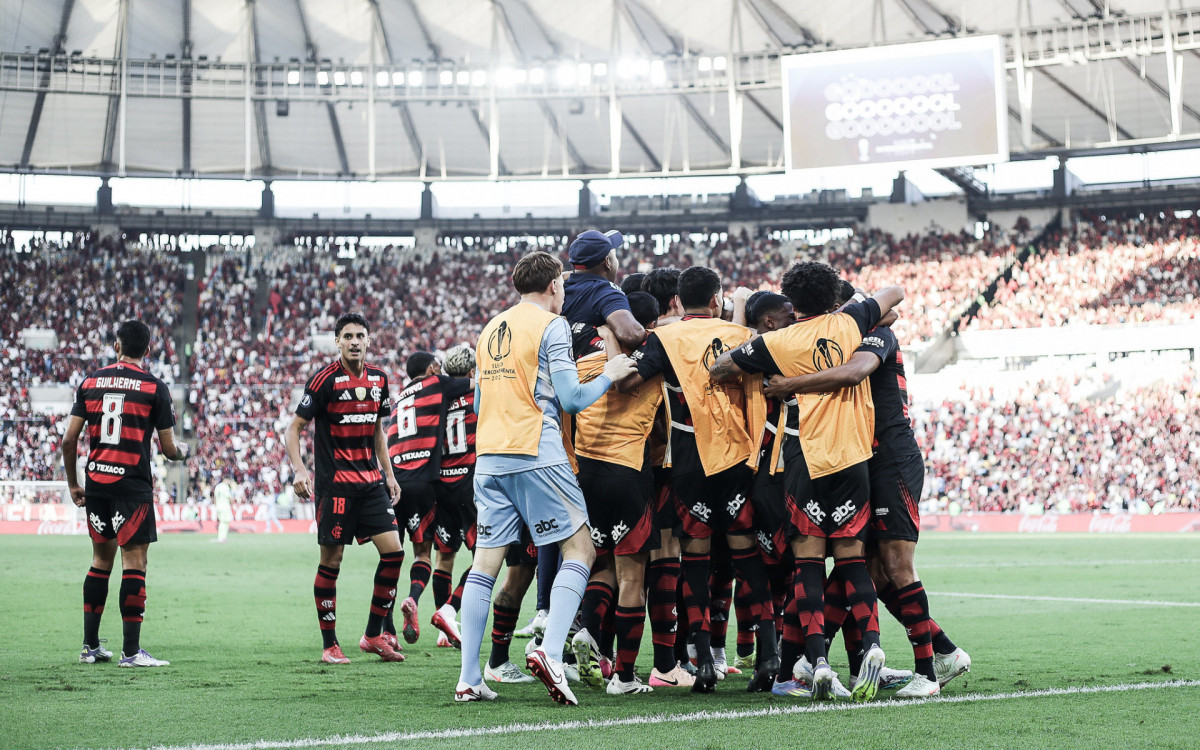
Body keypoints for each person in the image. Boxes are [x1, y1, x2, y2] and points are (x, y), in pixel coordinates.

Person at [709, 261, 904, 702]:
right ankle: (872, 646)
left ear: (792, 303)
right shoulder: (852, 320)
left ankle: (816, 662)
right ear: (832, 294)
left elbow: (719, 369)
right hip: (853, 458)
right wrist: (852, 299)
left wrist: (760, 362)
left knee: (809, 564)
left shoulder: (776, 342)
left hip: (804, 459)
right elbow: (894, 293)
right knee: (853, 560)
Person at [763, 283, 969, 697]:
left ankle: (927, 673)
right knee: (863, 568)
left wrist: (790, 384)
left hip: (891, 458)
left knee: (893, 565)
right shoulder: (837, 338)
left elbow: (858, 365)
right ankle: (940, 651)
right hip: (859, 459)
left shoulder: (874, 335)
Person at [454, 250, 637, 705]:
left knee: (484, 565)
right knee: (582, 548)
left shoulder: (490, 328)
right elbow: (573, 399)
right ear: (555, 285)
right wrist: (611, 374)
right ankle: (551, 652)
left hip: (489, 456)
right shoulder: (551, 326)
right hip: (536, 450)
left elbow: (477, 404)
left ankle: (470, 677)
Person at [620, 266, 778, 694]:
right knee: (746, 556)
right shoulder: (741, 336)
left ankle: (703, 661)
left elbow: (633, 379)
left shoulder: (664, 339)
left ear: (678, 300)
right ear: (715, 299)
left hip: (689, 461)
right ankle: (768, 655)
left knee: (696, 561)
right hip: (738, 459)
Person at [62, 319, 191, 667]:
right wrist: (184, 450)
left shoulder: (90, 382)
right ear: (148, 350)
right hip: (132, 487)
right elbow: (167, 449)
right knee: (134, 563)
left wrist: (74, 484)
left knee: (100, 561)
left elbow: (68, 439)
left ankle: (90, 647)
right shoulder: (154, 387)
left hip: (96, 485)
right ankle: (131, 653)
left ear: (116, 346)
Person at [284, 312, 405, 665]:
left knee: (394, 554)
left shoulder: (380, 380)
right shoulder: (323, 381)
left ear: (369, 340)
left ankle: (373, 635)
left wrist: (390, 473)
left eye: (360, 336)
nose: (354, 342)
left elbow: (378, 431)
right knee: (332, 562)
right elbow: (293, 429)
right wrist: (299, 470)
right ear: (337, 341)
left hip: (371, 485)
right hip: (335, 487)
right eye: (348, 336)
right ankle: (330, 644)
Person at [569, 291, 663, 695]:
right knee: (632, 576)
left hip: (586, 475)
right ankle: (624, 677)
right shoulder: (655, 362)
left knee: (601, 564)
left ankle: (588, 631)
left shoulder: (584, 363)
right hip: (628, 473)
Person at [386, 351, 472, 645]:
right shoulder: (439, 385)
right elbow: (479, 384)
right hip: (431, 481)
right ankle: (427, 606)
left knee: (393, 558)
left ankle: (386, 630)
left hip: (395, 482)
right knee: (429, 555)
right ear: (432, 368)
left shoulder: (400, 398)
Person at [426, 343, 481, 648]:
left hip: (441, 484)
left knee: (444, 556)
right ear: (472, 372)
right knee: (486, 556)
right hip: (470, 482)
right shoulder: (478, 395)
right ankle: (452, 610)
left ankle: (442, 629)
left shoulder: (437, 398)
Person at [562, 229, 646, 353]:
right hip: (595, 369)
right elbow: (631, 335)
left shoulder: (559, 287)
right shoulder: (606, 292)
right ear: (607, 262)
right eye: (615, 256)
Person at [213, 475, 234, 543]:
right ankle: (222, 537)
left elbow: (215, 498)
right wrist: (232, 502)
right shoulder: (225, 487)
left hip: (218, 507)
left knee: (223, 522)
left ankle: (222, 537)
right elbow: (229, 496)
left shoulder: (218, 486)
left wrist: (216, 505)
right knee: (224, 522)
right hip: (225, 507)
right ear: (226, 480)